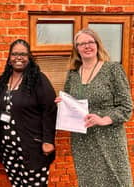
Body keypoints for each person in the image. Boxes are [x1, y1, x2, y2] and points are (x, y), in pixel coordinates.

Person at [55, 28, 133, 186]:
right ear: (77, 49)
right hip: (82, 140)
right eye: (81, 44)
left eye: (90, 42)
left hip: (109, 139)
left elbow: (126, 107)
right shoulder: (73, 75)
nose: (87, 46)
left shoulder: (113, 70)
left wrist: (104, 119)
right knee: (88, 182)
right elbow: (72, 103)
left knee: (117, 181)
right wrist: (63, 104)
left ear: (97, 44)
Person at [0, 39, 57, 187]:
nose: (18, 57)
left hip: (32, 147)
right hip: (7, 149)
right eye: (14, 54)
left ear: (29, 58)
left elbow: (50, 110)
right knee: (16, 184)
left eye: (22, 54)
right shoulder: (3, 80)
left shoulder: (38, 80)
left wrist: (48, 140)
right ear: (9, 58)